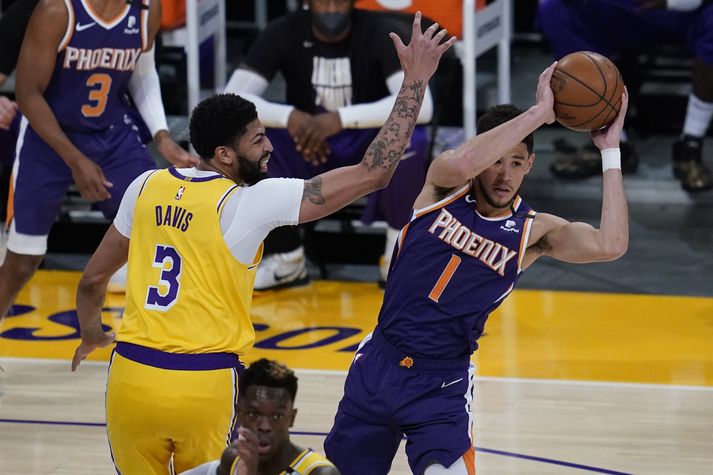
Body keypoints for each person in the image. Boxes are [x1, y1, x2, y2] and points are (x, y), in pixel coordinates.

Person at [71, 13, 454, 474]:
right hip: (204, 383)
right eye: (258, 140)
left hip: (129, 377)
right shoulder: (250, 200)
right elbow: (375, 172)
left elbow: (93, 279)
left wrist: (92, 332)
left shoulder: (144, 185)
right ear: (225, 155)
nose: (269, 146)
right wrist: (414, 82)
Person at [324, 66, 631, 473]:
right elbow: (462, 161)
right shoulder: (442, 188)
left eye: (517, 162)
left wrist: (610, 151)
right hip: (378, 367)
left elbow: (610, 245)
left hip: (441, 385)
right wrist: (541, 112)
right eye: (496, 161)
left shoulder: (533, 232)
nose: (505, 174)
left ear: (530, 164)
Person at [0, 0, 199, 326]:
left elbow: (144, 72)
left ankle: (163, 343)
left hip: (111, 133)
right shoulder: (57, 11)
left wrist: (161, 136)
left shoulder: (147, 10)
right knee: (24, 259)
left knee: (156, 224)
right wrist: (76, 159)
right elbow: (27, 94)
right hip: (46, 137)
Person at [224, 0, 435, 290]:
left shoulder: (380, 32)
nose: (332, 9)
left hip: (367, 142)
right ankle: (287, 259)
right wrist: (291, 118)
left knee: (411, 138)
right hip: (307, 142)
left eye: (339, 1)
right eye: (324, 1)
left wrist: (339, 119)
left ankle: (396, 258)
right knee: (250, 144)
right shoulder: (283, 31)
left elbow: (423, 107)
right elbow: (232, 97)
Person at [537, 0, 713, 192]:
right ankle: (611, 138)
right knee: (554, 7)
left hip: (686, 13)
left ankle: (690, 145)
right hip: (625, 7)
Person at [180, 358, 340, 475]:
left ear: (291, 417)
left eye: (276, 416)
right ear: (240, 414)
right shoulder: (233, 459)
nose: (264, 426)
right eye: (253, 414)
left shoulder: (319, 472)